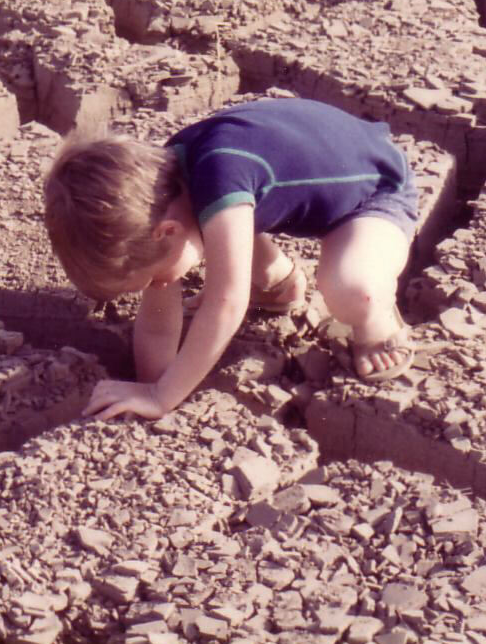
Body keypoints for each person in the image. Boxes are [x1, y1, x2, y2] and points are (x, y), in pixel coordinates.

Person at [43, 96, 418, 421]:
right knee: (225, 231)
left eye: (154, 279)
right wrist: (147, 384)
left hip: (375, 193)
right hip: (302, 181)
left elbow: (227, 301)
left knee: (350, 289)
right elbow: (158, 323)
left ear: (168, 232)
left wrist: (161, 397)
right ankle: (281, 283)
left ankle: (378, 326)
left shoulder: (221, 174)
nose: (159, 287)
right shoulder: (162, 191)